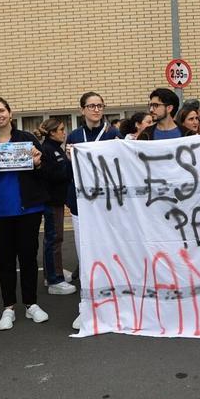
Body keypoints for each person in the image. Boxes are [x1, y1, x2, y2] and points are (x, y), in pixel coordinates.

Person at [0, 97, 50, 331]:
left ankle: (31, 304)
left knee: (29, 257)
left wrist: (38, 163)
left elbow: (44, 175)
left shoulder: (28, 140)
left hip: (28, 210)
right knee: (5, 261)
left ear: (10, 113)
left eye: (2, 110)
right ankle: (8, 307)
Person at [65, 92, 121, 328]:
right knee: (86, 256)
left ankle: (114, 303)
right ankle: (87, 306)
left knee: (110, 254)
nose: (96, 110)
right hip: (81, 205)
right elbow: (69, 174)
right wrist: (70, 159)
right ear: (82, 110)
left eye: (99, 106)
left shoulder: (113, 134)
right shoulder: (74, 136)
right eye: (91, 106)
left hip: (106, 205)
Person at [36, 117, 76, 296]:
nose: (64, 132)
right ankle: (53, 279)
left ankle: (55, 272)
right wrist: (69, 161)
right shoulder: (47, 150)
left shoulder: (54, 148)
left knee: (56, 238)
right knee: (53, 239)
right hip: (51, 201)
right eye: (61, 129)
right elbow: (55, 175)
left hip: (56, 200)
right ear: (52, 133)